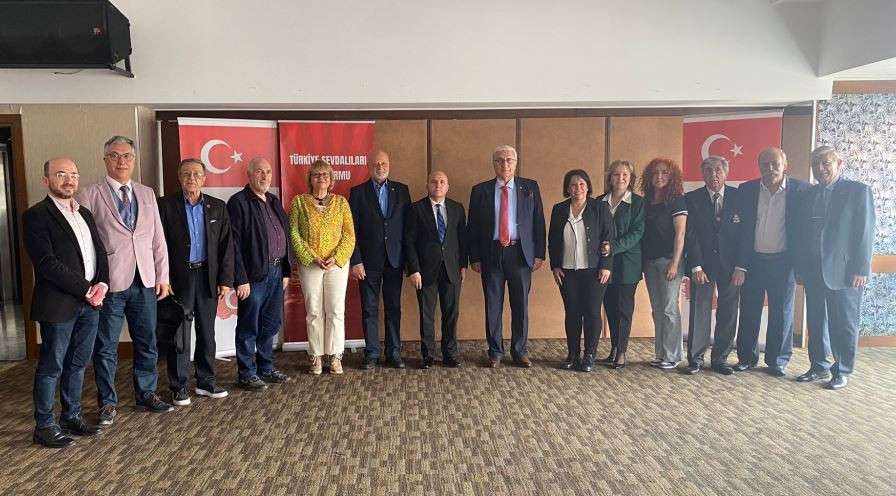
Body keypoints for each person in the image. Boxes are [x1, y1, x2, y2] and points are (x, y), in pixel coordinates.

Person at [76, 136, 173, 424]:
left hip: (145, 280)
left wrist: (162, 276)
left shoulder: (147, 193)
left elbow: (158, 239)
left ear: (134, 159)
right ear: (105, 159)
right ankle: (107, 402)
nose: (122, 161)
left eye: (127, 156)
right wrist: (91, 282)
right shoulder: (89, 194)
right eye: (115, 156)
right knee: (106, 345)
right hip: (109, 283)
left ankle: (146, 393)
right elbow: (83, 244)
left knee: (147, 341)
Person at [24, 158, 109, 448]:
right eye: (61, 174)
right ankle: (44, 426)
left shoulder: (84, 212)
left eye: (73, 174)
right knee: (52, 366)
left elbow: (99, 251)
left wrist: (102, 283)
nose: (69, 180)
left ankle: (71, 416)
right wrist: (86, 289)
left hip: (90, 303)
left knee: (78, 363)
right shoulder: (36, 215)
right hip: (58, 303)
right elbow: (46, 263)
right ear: (46, 180)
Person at [792, 146, 875, 390]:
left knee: (844, 323)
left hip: (846, 271)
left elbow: (865, 232)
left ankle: (842, 370)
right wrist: (800, 268)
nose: (820, 169)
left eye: (825, 163)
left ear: (839, 164)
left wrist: (861, 269)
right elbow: (801, 233)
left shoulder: (857, 191)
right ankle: (819, 365)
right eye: (815, 164)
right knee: (816, 321)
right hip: (813, 269)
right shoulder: (808, 194)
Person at [158, 158, 234, 405]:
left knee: (207, 331)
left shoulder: (217, 207)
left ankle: (206, 381)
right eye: (186, 174)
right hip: (179, 278)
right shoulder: (164, 206)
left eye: (196, 174)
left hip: (207, 277)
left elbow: (226, 246)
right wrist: (163, 277)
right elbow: (158, 245)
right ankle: (179, 386)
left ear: (204, 179)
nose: (191, 178)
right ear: (179, 178)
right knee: (179, 333)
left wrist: (225, 280)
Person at [731, 147, 810, 376]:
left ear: (785, 165)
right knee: (749, 311)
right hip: (753, 262)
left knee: (782, 314)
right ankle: (747, 358)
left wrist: (802, 266)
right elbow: (741, 232)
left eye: (775, 163)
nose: (770, 168)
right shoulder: (747, 190)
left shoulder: (802, 191)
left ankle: (777, 361)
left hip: (783, 263)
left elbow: (806, 231)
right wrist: (740, 265)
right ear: (759, 166)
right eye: (765, 164)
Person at [468, 145, 546, 368]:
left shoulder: (530, 187)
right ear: (494, 164)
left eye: (509, 160)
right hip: (491, 253)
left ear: (516, 162)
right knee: (493, 305)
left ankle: (519, 351)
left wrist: (539, 254)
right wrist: (474, 257)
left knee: (520, 305)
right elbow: (472, 227)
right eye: (500, 160)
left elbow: (538, 222)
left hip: (520, 253)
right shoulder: (480, 190)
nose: (505, 164)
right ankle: (495, 351)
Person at [227, 157, 292, 391]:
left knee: (270, 323)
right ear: (249, 174)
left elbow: (285, 235)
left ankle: (266, 367)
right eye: (259, 172)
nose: (265, 176)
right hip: (253, 276)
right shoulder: (238, 202)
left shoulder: (273, 201)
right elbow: (233, 245)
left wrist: (286, 270)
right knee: (248, 325)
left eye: (268, 171)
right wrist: (240, 278)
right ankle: (246, 373)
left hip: (276, 271)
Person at [289, 160, 355, 375]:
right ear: (310, 179)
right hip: (311, 264)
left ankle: (335, 356)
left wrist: (336, 258)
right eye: (316, 175)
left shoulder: (341, 203)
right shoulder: (299, 202)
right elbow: (294, 233)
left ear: (331, 179)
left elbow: (349, 235)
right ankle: (316, 356)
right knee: (314, 311)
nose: (321, 178)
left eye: (325, 175)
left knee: (335, 310)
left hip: (336, 265)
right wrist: (311, 257)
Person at [348, 150, 411, 369]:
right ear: (369, 167)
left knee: (394, 308)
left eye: (384, 163)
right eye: (376, 164)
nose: (380, 167)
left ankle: (394, 353)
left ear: (389, 165)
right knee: (369, 309)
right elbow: (352, 231)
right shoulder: (357, 193)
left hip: (395, 260)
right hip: (367, 263)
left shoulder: (402, 191)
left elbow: (408, 229)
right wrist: (356, 260)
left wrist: (409, 261)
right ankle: (372, 354)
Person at [548, 169, 615, 372]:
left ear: (588, 187)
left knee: (592, 312)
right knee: (572, 313)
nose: (578, 188)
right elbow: (553, 240)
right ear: (567, 188)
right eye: (573, 185)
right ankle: (573, 354)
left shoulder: (600, 208)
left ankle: (589, 355)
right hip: (567, 271)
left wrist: (606, 265)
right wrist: (555, 265)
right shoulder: (559, 209)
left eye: (582, 184)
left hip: (595, 271)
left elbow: (609, 237)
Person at [404, 171, 467, 369]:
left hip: (452, 269)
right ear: (427, 185)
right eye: (434, 182)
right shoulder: (416, 209)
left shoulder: (457, 208)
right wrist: (413, 270)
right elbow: (409, 242)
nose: (438, 185)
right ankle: (428, 355)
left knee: (451, 314)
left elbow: (462, 239)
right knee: (427, 315)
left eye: (442, 182)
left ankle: (450, 354)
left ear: (447, 186)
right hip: (424, 272)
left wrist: (463, 265)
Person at [683, 156, 740, 375]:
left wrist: (741, 266)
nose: (713, 174)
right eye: (708, 170)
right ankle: (696, 359)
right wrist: (696, 266)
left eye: (718, 170)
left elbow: (745, 235)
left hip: (731, 266)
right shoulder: (691, 198)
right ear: (702, 174)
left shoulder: (739, 196)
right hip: (703, 265)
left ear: (726, 173)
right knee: (700, 311)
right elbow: (690, 235)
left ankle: (720, 359)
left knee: (728, 312)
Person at [640, 158, 687, 370]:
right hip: (650, 262)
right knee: (657, 309)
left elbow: (680, 234)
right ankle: (661, 354)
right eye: (655, 172)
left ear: (672, 176)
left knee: (669, 308)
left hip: (669, 261)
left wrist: (675, 263)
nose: (659, 176)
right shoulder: (646, 202)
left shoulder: (677, 201)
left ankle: (673, 355)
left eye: (664, 172)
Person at [600, 160, 645, 369]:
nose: (620, 178)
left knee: (624, 309)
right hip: (604, 263)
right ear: (610, 178)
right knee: (609, 306)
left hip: (628, 264)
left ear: (630, 178)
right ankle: (614, 347)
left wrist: (613, 247)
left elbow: (637, 233)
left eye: (625, 174)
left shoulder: (638, 203)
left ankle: (622, 351)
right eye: (616, 174)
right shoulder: (599, 201)